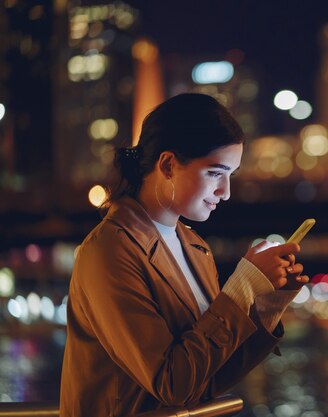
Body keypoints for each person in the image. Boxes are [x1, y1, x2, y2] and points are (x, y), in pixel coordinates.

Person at [59, 93, 308, 416]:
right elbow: (171, 383)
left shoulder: (195, 247)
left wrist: (266, 306)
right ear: (167, 165)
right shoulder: (109, 250)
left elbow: (204, 378)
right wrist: (242, 284)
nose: (226, 191)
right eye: (215, 173)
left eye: (230, 175)